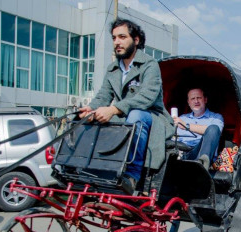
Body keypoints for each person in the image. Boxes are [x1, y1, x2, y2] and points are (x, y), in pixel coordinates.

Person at [79, 18, 173, 194]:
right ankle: (88, 172)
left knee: (135, 115)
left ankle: (132, 176)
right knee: (90, 119)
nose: (117, 42)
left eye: (122, 37)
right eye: (114, 38)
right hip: (125, 116)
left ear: (136, 40)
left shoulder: (149, 65)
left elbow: (147, 97)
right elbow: (103, 96)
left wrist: (113, 109)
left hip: (151, 117)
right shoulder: (112, 69)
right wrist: (90, 109)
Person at [173, 87, 224, 169]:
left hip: (199, 152)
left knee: (213, 128)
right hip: (180, 152)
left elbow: (215, 132)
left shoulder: (216, 118)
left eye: (199, 98)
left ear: (205, 100)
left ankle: (201, 166)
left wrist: (186, 126)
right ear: (188, 102)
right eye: (193, 99)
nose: (196, 101)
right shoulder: (182, 118)